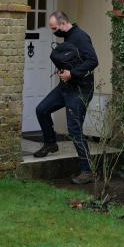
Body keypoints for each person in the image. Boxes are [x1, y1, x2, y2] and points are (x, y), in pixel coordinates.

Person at [33, 10, 98, 185]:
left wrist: (72, 73)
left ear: (63, 24)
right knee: (42, 109)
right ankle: (50, 143)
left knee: (74, 130)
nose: (53, 31)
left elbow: (93, 61)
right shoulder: (68, 38)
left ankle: (87, 171)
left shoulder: (81, 37)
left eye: (54, 28)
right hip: (65, 88)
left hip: (80, 90)